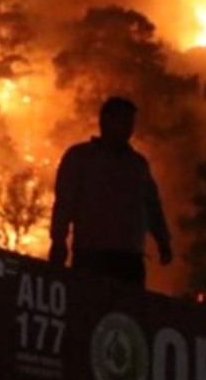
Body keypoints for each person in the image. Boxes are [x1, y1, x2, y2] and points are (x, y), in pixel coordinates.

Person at [48, 96, 174, 286]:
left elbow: (151, 205)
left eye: (130, 122)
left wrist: (163, 241)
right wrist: (59, 240)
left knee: (127, 313)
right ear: (105, 121)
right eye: (122, 121)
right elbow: (65, 201)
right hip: (92, 253)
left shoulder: (137, 165)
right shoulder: (81, 158)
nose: (128, 128)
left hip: (130, 258)